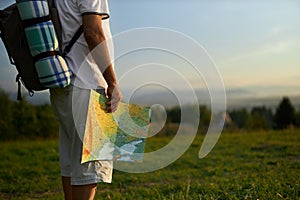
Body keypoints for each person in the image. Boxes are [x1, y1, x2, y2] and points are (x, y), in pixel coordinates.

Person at [50, 0, 122, 199]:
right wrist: (112, 82)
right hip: (87, 84)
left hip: (63, 85)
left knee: (72, 166)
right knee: (87, 172)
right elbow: (93, 32)